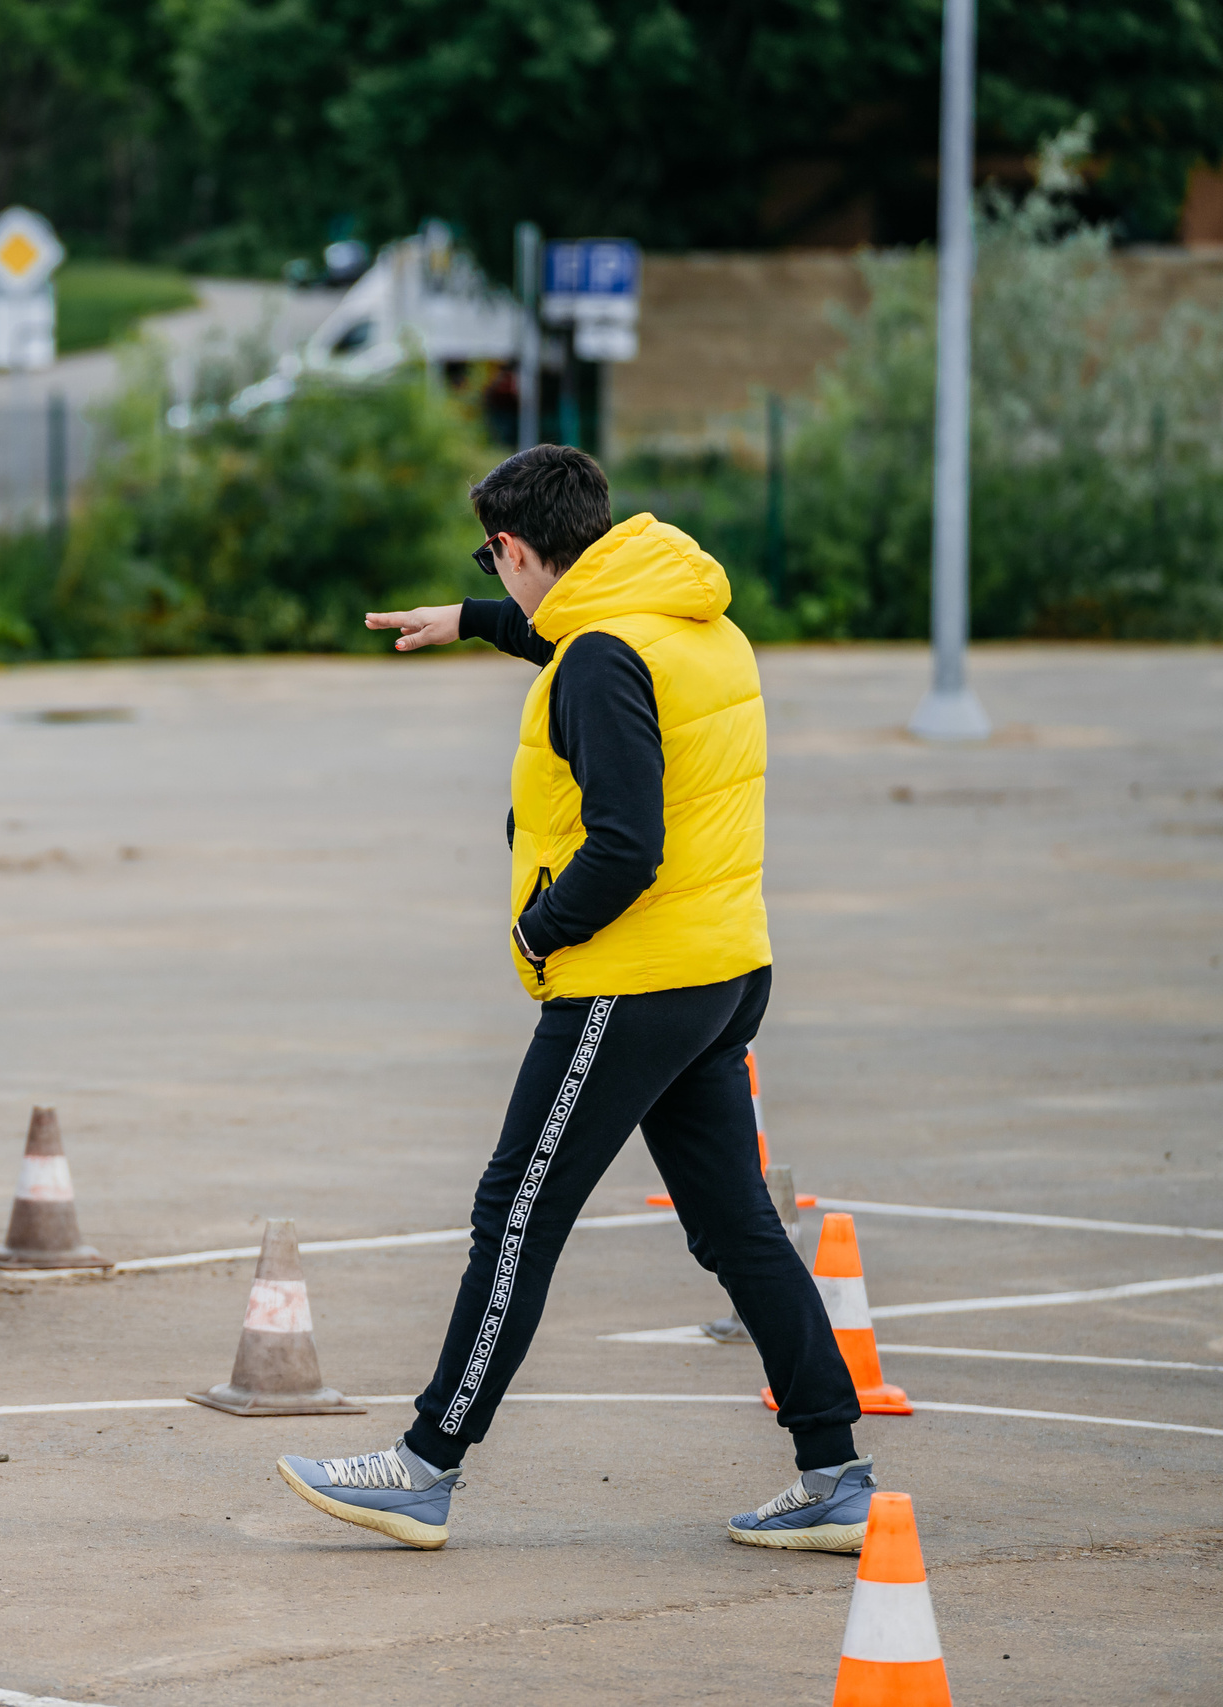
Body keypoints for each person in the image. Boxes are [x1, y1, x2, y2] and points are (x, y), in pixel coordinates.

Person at [273, 445, 873, 1552]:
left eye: (490, 565)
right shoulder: (687, 618)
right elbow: (568, 628)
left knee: (515, 1218)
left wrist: (534, 931)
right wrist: (466, 618)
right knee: (736, 1226)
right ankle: (834, 1470)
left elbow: (624, 844)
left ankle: (422, 1465)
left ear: (513, 546)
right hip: (721, 971)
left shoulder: (599, 655)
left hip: (626, 984)